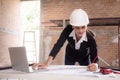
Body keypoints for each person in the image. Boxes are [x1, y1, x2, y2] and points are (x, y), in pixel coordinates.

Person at [32, 9, 99, 71]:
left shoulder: (91, 38)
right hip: (70, 53)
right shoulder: (68, 30)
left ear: (86, 25)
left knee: (88, 71)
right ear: (73, 26)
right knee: (68, 72)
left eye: (83, 27)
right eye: (77, 27)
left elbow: (95, 56)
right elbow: (58, 45)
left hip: (84, 56)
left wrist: (96, 65)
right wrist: (46, 63)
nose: (80, 30)